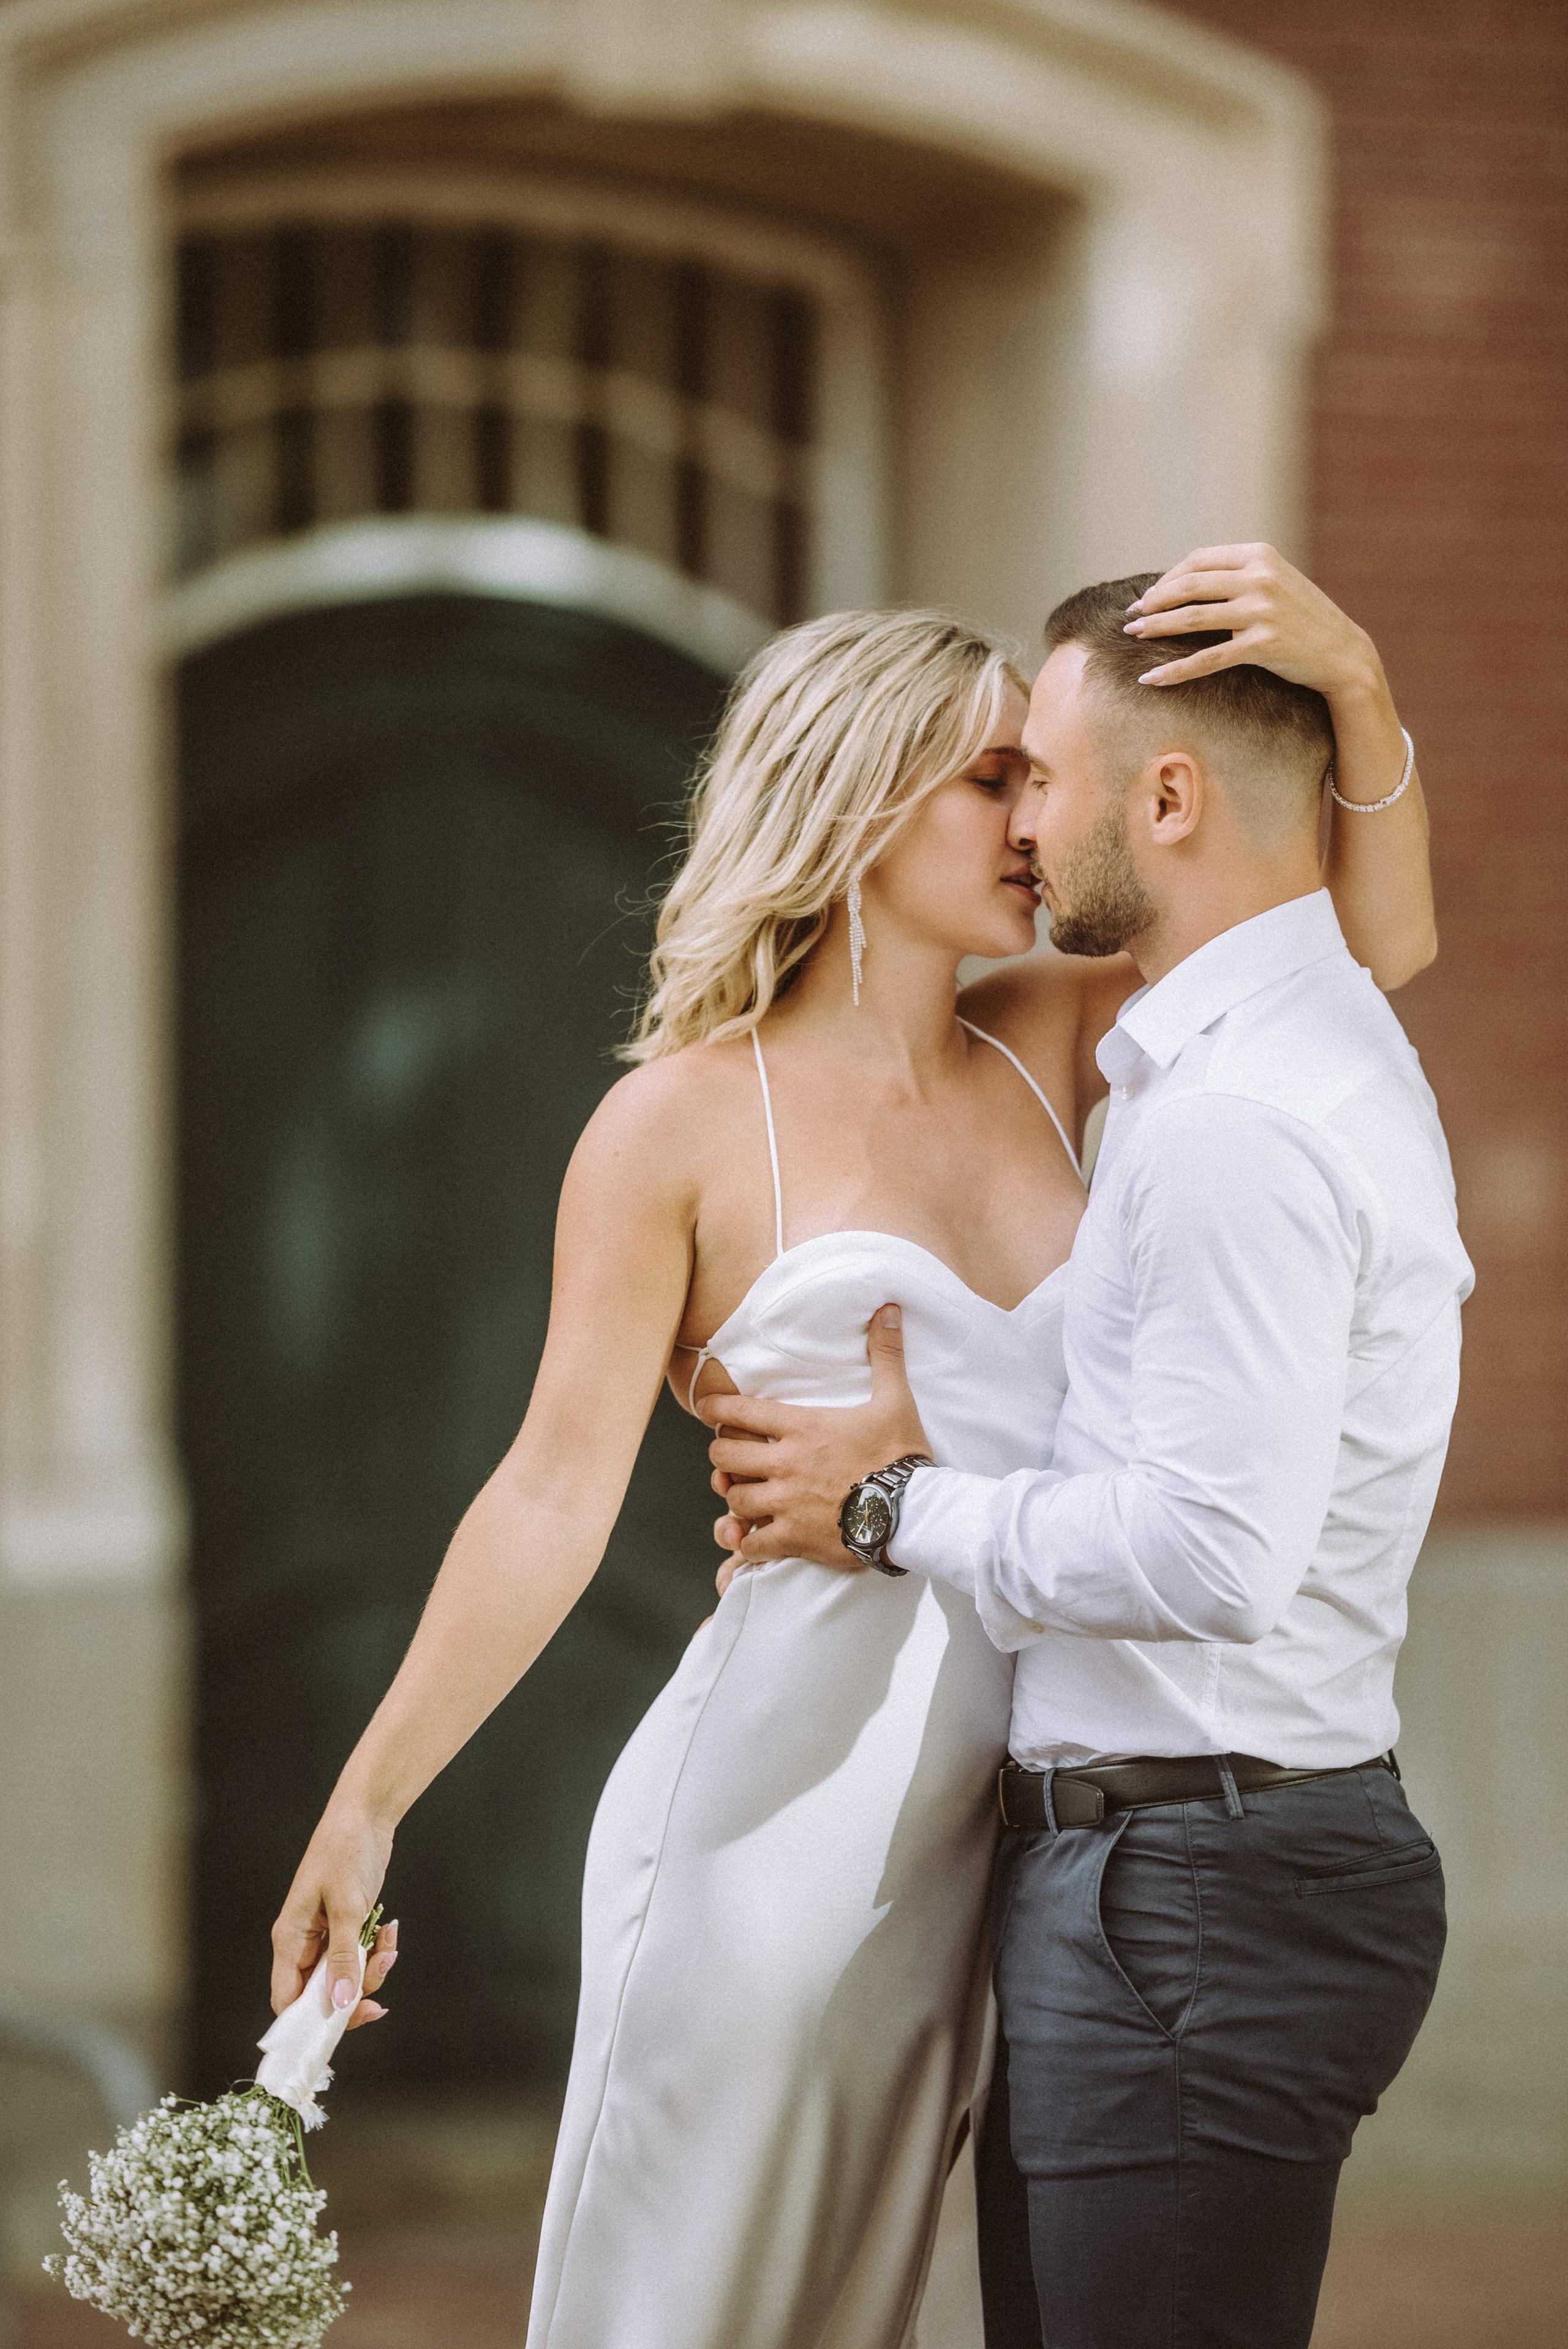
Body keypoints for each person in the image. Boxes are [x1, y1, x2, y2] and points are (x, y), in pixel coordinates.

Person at [267, 548, 1437, 2349]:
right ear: (863, 802)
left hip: (1012, 1830)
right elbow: (555, 1490)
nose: (1037, 822)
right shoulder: (673, 1124)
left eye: (1037, 777)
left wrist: (1354, 685)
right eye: (997, 778)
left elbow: (1358, 947)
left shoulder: (1071, 1044)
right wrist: (369, 1797)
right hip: (776, 1822)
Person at [703, 556, 1471, 2348]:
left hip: (1191, 1895)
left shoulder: (1231, 1120)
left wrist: (892, 1503)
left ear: (1171, 795)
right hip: (1174, 1878)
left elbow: (1213, 1553)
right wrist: (1353, 687)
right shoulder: (1263, 1039)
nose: (1027, 823)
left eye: (1037, 772)